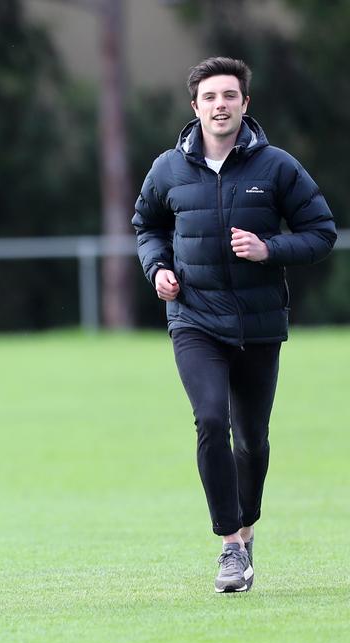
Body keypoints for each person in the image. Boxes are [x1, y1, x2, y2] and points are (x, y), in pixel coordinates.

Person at [133, 57, 336, 593]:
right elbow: (147, 225)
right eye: (209, 97)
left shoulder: (277, 168)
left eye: (229, 95)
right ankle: (228, 545)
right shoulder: (167, 169)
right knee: (208, 420)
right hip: (194, 320)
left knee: (251, 440)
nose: (219, 104)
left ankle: (247, 531)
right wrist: (158, 270)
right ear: (194, 106)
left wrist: (269, 248)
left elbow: (321, 232)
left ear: (245, 104)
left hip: (259, 325)